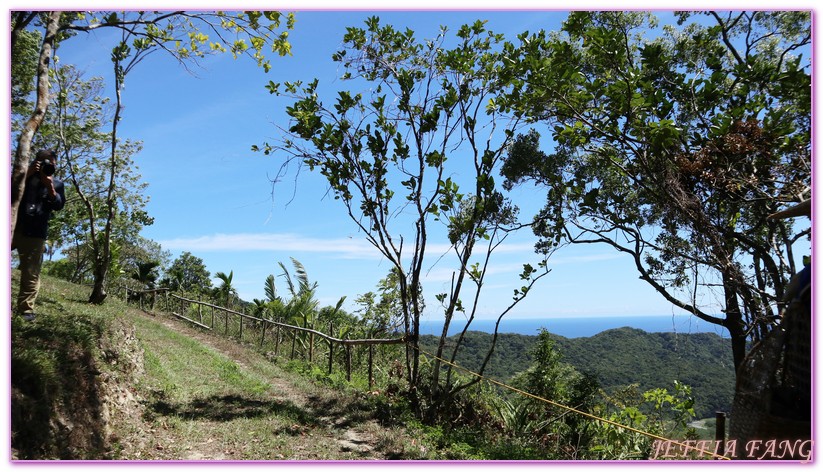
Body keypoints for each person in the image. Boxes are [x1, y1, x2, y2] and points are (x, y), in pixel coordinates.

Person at [11, 149, 66, 321]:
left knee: (31, 272)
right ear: (37, 162)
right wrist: (26, 174)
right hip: (12, 226)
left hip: (35, 233)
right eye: (45, 162)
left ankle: (26, 310)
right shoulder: (20, 178)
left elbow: (58, 205)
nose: (48, 166)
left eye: (52, 164)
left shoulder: (57, 184)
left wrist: (49, 185)